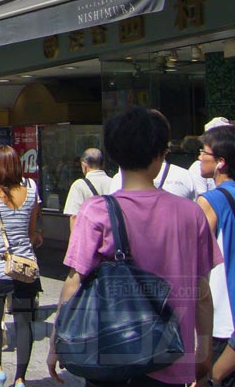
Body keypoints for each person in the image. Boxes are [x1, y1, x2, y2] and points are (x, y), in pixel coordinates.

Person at [48, 107, 220, 387]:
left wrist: (58, 342)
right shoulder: (191, 214)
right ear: (160, 156)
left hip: (110, 357)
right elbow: (201, 291)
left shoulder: (96, 211)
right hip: (171, 359)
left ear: (114, 154)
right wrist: (204, 352)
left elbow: (73, 281)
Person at [0, 145, 39, 387]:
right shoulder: (32, 192)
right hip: (25, 267)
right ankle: (21, 378)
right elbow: (31, 232)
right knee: (24, 322)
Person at [197, 124, 235, 386]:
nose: (199, 157)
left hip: (223, 320)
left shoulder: (210, 200)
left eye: (204, 152)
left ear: (221, 162)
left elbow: (194, 262)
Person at [62, 147, 112, 229]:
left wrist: (74, 241)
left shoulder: (79, 185)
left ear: (84, 165)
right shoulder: (114, 182)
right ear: (103, 164)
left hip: (90, 237)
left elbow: (74, 217)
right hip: (111, 236)